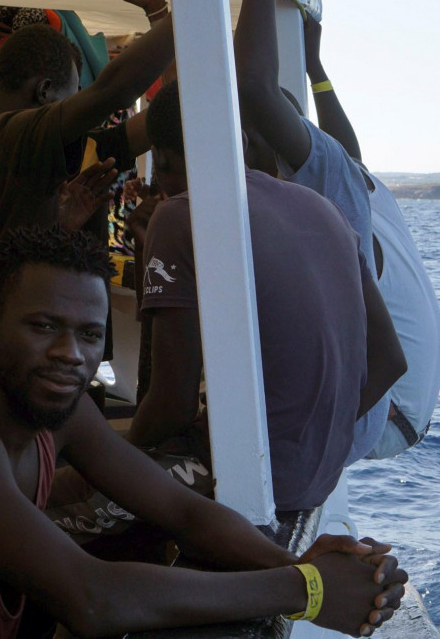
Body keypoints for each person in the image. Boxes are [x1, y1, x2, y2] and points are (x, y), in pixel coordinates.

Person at [0, 225, 406, 638]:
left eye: (90, 335)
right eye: (43, 327)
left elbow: (181, 509)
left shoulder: (60, 414)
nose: (72, 352)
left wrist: (305, 567)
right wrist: (309, 591)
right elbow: (90, 600)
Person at [234, 0, 440, 460]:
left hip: (385, 413)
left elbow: (253, 91)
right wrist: (316, 66)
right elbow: (344, 148)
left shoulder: (323, 192)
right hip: (409, 409)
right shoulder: (351, 183)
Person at [128, 79, 408, 512]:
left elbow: (170, 404)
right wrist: (305, 433)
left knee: (61, 489)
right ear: (240, 140)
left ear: (162, 160)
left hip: (249, 480)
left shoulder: (179, 213)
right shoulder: (324, 209)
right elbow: (390, 360)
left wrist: (122, 452)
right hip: (317, 479)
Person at [0, 0, 173, 382]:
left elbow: (168, 115)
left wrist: (158, 13)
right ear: (45, 92)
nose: (80, 118)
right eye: (73, 101)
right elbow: (116, 89)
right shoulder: (9, 139)